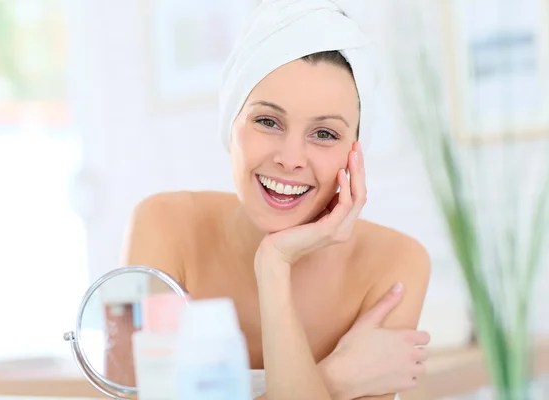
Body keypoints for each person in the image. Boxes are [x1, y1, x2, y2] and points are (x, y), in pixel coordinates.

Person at [120, 1, 431, 399]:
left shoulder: (395, 265)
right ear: (231, 122)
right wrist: (334, 382)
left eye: (324, 134)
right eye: (268, 121)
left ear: (355, 153)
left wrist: (273, 265)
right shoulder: (163, 227)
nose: (289, 158)